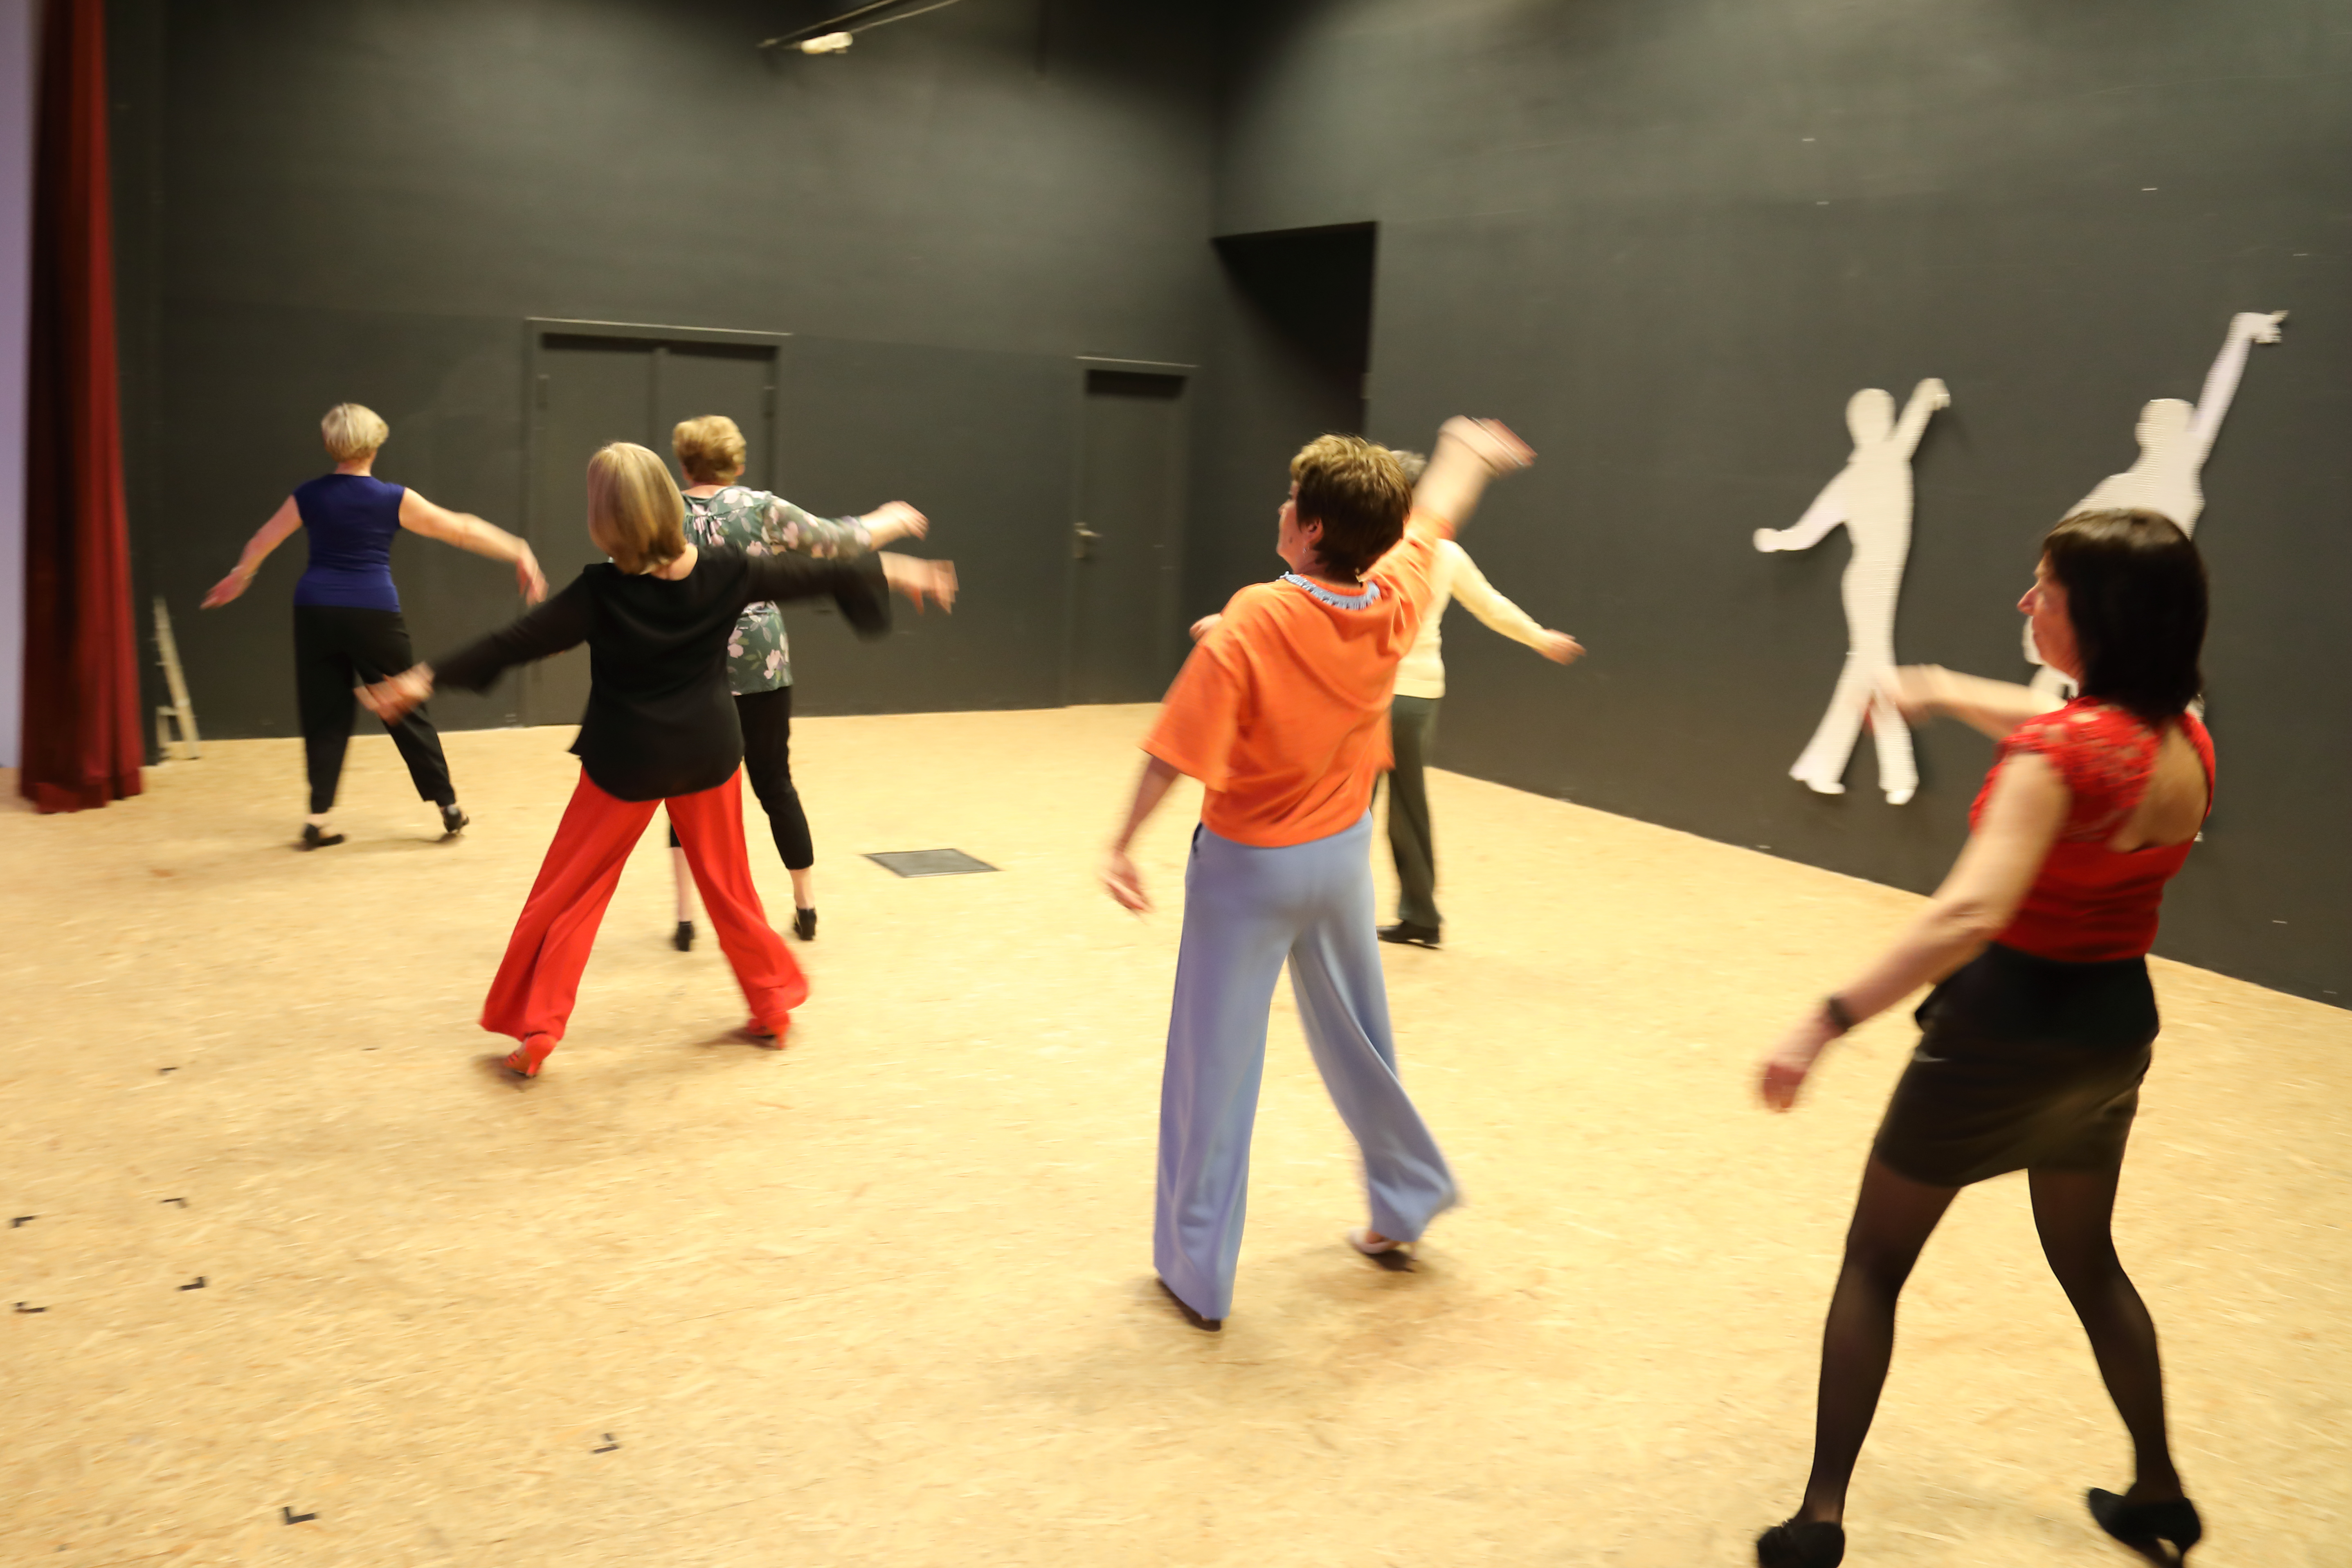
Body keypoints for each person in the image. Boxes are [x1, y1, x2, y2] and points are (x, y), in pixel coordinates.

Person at [1752, 508, 2213, 1568]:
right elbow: (2075, 726)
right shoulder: (2182, 739)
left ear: (2097, 615)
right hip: (2109, 1035)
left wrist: (1824, 1020)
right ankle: (2158, 1490)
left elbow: (1966, 913)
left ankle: (1817, 1519)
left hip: (1998, 1036)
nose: (2024, 600)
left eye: (2044, 587)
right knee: (2088, 1260)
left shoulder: (2052, 758)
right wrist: (1942, 686)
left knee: (1873, 1263)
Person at [1103, 416, 1534, 1332]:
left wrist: (1122, 842)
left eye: (1291, 499)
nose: (1282, 506)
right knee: (1361, 1038)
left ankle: (1196, 1268)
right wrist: (1467, 456)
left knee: (1212, 1064)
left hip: (1249, 871)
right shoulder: (1393, 593)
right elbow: (1435, 516)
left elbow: (1176, 749)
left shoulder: (1258, 612)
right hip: (1339, 859)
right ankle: (1404, 1199)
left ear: (1310, 528)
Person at [358, 443, 956, 1079]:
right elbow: (817, 574)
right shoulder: (727, 570)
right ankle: (772, 1007)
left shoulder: (598, 591)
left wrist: (421, 678)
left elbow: (512, 643)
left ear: (605, 521)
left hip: (626, 761)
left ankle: (539, 1027)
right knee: (730, 889)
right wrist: (902, 571)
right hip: (707, 754)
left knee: (568, 895)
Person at [1189, 449, 1581, 949]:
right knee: (1400, 805)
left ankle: (1330, 906)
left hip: (1375, 692)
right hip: (1419, 698)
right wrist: (1539, 637)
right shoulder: (1438, 552)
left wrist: (1233, 624)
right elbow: (1491, 606)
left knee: (1344, 806)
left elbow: (1314, 609)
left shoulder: (1372, 550)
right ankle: (1417, 913)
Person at [202, 403, 548, 848]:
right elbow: (460, 529)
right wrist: (518, 549)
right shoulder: (391, 498)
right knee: (403, 701)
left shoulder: (309, 494)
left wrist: (241, 576)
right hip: (373, 613)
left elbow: (263, 540)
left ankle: (317, 817)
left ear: (330, 445)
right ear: (376, 444)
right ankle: (448, 806)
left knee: (323, 710)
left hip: (315, 610)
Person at [661, 414, 930, 951]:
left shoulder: (664, 512)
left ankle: (686, 918)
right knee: (774, 782)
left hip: (690, 668)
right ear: (737, 464)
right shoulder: (760, 508)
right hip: (761, 664)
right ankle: (805, 908)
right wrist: (891, 519)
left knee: (686, 791)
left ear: (684, 465)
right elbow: (837, 542)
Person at [2027, 310, 2283, 704]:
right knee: (2057, 700)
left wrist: (2240, 336)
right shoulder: (2120, 489)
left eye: (2180, 425)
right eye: (2164, 424)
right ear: (2145, 432)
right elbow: (2062, 550)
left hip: (2149, 616)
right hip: (2108, 620)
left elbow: (2216, 400)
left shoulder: (2180, 467)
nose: (2177, 432)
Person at [1754, 379, 1948, 805]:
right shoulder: (1858, 475)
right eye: (1870, 419)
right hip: (1865, 581)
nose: (1878, 425)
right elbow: (1807, 531)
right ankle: (1895, 774)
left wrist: (1926, 396)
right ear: (1859, 426)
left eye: (1882, 417)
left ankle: (1824, 766)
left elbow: (1914, 422)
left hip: (1877, 578)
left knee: (1864, 670)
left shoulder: (1891, 457)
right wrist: (1776, 539)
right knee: (1876, 669)